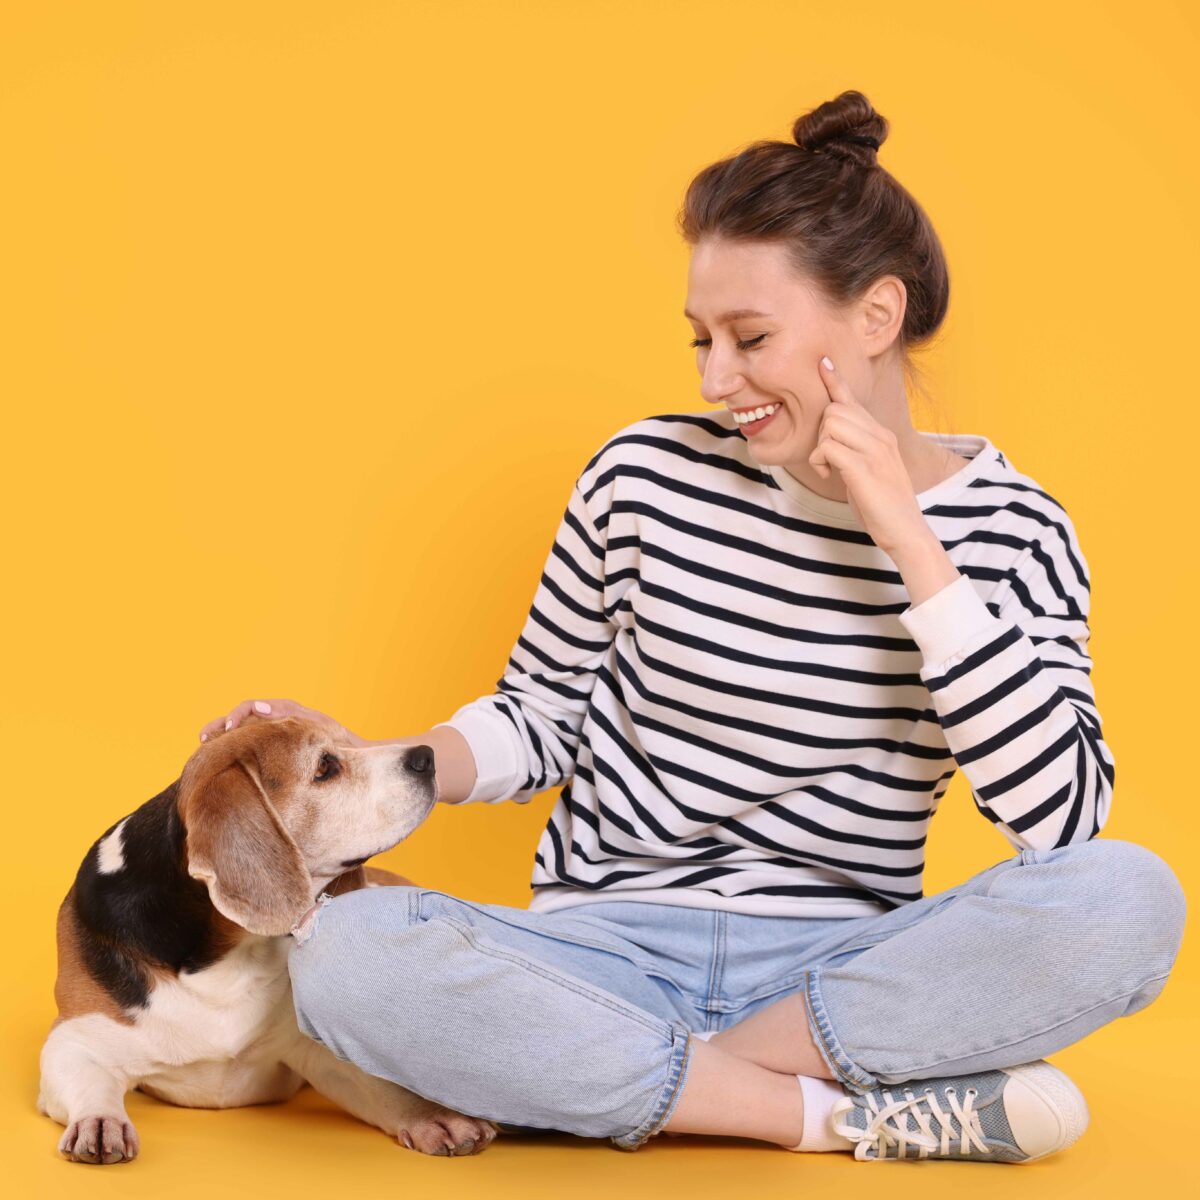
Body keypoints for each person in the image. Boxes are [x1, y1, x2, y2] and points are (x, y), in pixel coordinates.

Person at [200, 90, 1186, 1162]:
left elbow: (1059, 824)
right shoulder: (645, 475)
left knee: (1128, 898)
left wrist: (913, 546)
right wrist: (366, 763)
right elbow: (543, 717)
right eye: (701, 341)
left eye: (750, 338)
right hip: (602, 945)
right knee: (345, 955)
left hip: (839, 969)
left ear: (875, 317)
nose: (718, 380)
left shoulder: (1014, 532)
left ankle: (624, 1073)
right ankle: (832, 1115)